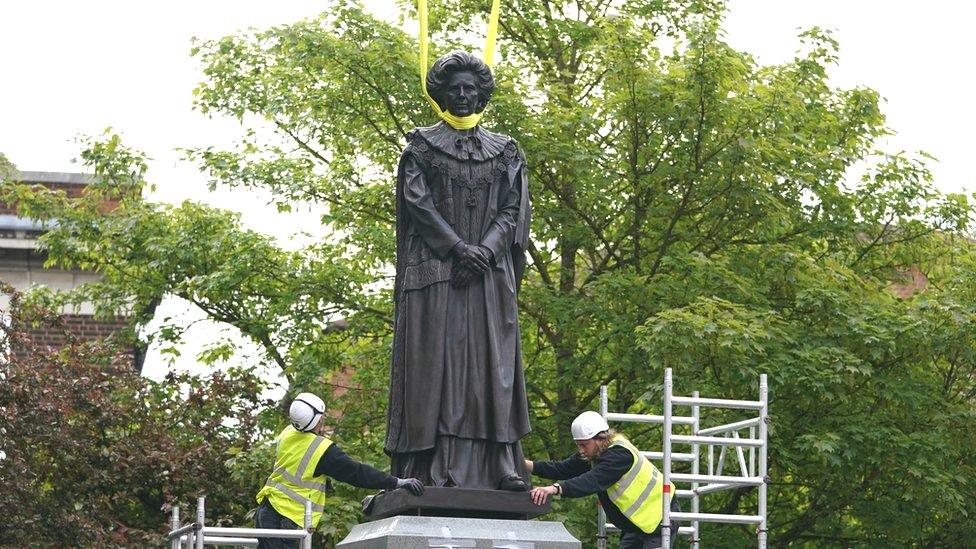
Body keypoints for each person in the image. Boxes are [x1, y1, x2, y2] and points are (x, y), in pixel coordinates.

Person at [385, 50, 532, 491]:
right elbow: (418, 206)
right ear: (441, 95)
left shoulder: (506, 152)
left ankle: (500, 464)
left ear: (482, 94)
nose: (464, 95)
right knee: (438, 369)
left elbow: (513, 209)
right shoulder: (421, 148)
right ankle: (431, 466)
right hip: (435, 275)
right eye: (455, 89)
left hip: (488, 277)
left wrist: (484, 252)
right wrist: (457, 250)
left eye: (471, 88)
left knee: (493, 367)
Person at [255, 393, 424, 549]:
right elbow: (357, 473)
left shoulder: (288, 433)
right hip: (286, 519)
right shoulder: (321, 450)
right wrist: (397, 482)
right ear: (318, 420)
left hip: (266, 511)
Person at [526, 411, 680, 549]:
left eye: (584, 445)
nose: (581, 450)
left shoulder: (619, 455)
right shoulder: (596, 453)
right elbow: (563, 468)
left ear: (600, 438)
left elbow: (592, 481)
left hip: (660, 518)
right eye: (578, 445)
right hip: (638, 524)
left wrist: (555, 489)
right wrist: (527, 465)